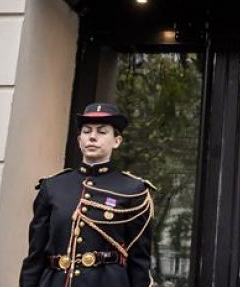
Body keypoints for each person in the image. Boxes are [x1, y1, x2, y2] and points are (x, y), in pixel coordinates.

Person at [20, 103, 157, 287]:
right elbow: (35, 255)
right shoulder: (52, 187)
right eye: (86, 131)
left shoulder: (133, 190)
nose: (92, 137)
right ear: (79, 140)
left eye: (102, 132)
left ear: (117, 141)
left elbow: (139, 262)